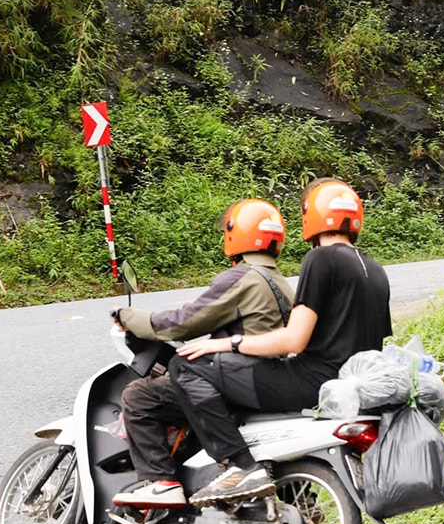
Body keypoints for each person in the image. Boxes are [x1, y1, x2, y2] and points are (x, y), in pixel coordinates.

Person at [168, 179, 392, 506]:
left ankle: (240, 467)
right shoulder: (376, 270)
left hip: (311, 381)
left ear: (310, 217)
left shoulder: (321, 260)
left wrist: (229, 343)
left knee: (186, 365)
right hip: (350, 387)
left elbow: (294, 340)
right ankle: (286, 495)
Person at [109, 200, 294, 510]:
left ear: (236, 235)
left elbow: (183, 322)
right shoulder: (282, 283)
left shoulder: (241, 278)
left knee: (139, 397)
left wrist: (130, 317)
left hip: (234, 379)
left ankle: (162, 482)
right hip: (268, 381)